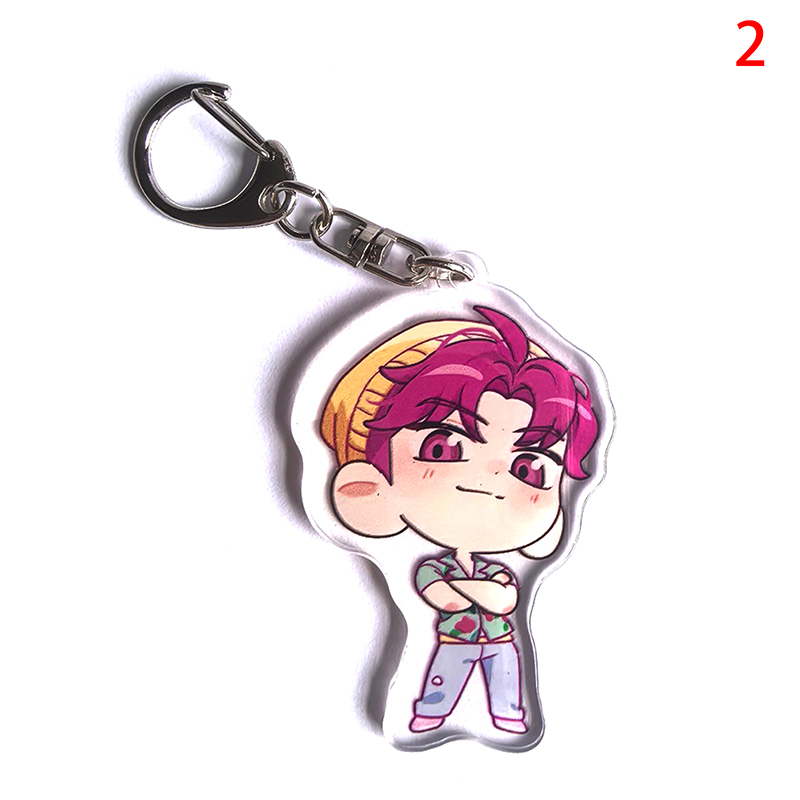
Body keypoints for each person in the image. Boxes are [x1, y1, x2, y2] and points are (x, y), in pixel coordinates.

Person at [320, 306, 599, 733]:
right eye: (443, 446)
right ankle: (428, 715)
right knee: (439, 683)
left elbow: (503, 603)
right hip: (453, 643)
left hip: (500, 642)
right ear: (369, 487)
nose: (493, 474)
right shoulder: (435, 569)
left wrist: (470, 591)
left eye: (529, 467)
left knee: (506, 682)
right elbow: (450, 601)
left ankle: (507, 717)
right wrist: (479, 593)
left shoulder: (486, 571)